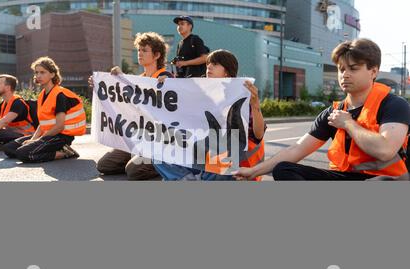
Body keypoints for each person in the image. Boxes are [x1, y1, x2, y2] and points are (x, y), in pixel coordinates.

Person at [234, 38, 410, 181]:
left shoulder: (393, 105)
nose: (345, 74)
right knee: (284, 169)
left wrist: (348, 123)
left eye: (353, 69)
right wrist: (254, 171)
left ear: (373, 71)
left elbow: (385, 151)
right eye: (341, 69)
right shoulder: (332, 112)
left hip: (384, 179)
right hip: (344, 177)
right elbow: (296, 149)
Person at [153, 49, 266, 181]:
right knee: (158, 154)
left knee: (222, 167)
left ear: (227, 72)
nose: (209, 67)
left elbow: (258, 135)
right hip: (201, 155)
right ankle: (189, 179)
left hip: (229, 161)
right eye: (208, 64)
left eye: (215, 64)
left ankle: (185, 179)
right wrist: (170, 85)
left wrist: (255, 106)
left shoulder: (241, 96)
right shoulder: (200, 94)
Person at [91, 32, 174, 180]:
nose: (140, 54)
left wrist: (171, 83)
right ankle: (136, 158)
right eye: (139, 50)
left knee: (134, 171)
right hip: (137, 137)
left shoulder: (165, 76)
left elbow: (178, 99)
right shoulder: (138, 80)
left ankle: (164, 163)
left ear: (156, 55)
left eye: (144, 50)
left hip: (157, 140)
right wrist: (103, 84)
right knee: (104, 166)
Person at [4, 57, 86, 163]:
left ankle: (64, 153)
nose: (38, 76)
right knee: (9, 149)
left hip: (61, 137)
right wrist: (33, 139)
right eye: (36, 72)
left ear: (52, 74)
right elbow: (42, 124)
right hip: (48, 135)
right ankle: (46, 150)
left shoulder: (60, 95)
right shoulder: (42, 95)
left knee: (22, 153)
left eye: (43, 72)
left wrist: (36, 140)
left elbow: (59, 126)